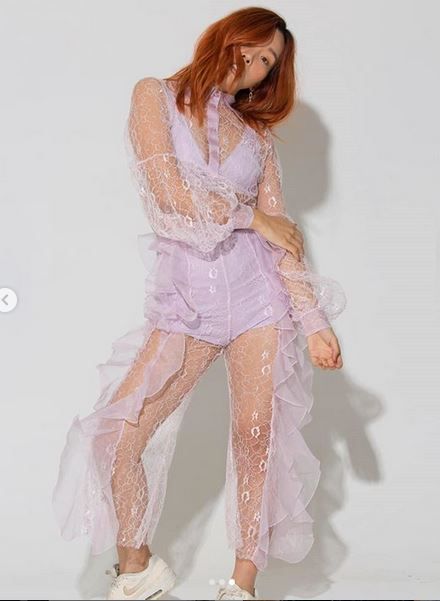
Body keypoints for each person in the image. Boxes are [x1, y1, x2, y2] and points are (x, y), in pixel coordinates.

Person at [52, 6, 346, 601]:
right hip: (188, 305)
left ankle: (243, 584)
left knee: (256, 436)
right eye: (251, 47)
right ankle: (137, 569)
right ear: (223, 38)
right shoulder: (155, 96)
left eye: (268, 61)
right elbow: (166, 195)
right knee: (119, 435)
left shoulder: (257, 139)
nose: (255, 64)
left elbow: (284, 240)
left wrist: (314, 322)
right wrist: (252, 217)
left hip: (260, 302)